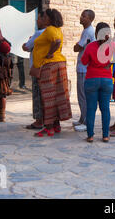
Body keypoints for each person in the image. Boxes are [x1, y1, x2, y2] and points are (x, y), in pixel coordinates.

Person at [32, 9, 72, 137]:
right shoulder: (57, 30)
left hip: (50, 66)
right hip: (58, 64)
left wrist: (49, 53)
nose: (42, 19)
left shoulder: (49, 30)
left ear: (49, 18)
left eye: (44, 17)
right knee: (57, 95)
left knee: (47, 96)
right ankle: (56, 125)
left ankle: (49, 127)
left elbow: (57, 42)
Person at [81, 22, 115, 143]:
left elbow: (83, 61)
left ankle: (90, 135)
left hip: (91, 79)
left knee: (91, 109)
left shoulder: (90, 46)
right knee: (105, 108)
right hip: (107, 80)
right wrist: (111, 63)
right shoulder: (112, 45)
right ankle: (105, 135)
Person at [72, 9, 96, 132]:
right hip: (82, 67)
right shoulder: (86, 31)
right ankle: (82, 118)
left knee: (83, 95)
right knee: (81, 94)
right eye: (81, 15)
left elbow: (77, 47)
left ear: (90, 19)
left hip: (84, 68)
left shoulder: (88, 32)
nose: (81, 17)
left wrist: (76, 46)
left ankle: (86, 121)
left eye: (84, 16)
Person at [23, 11, 47, 130]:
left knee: (37, 94)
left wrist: (27, 42)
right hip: (47, 67)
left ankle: (39, 120)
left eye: (39, 19)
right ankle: (47, 119)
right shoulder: (52, 33)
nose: (37, 21)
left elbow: (26, 47)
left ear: (44, 20)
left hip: (37, 67)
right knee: (45, 95)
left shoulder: (39, 34)